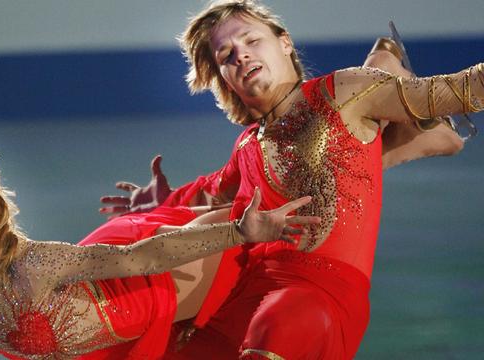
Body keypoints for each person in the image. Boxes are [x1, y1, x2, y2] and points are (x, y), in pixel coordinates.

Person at [99, 1, 482, 358]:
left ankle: (407, 106)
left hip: (316, 293)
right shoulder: (249, 144)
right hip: (251, 290)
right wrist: (163, 201)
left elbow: (454, 90)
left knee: (277, 323)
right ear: (225, 81)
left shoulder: (342, 91)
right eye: (226, 56)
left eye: (250, 40)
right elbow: (213, 189)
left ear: (284, 43)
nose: (241, 54)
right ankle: (416, 126)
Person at [0, 128, 321, 359]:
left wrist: (240, 232)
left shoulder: (31, 266)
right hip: (103, 322)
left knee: (286, 211)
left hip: (153, 280)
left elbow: (139, 258)